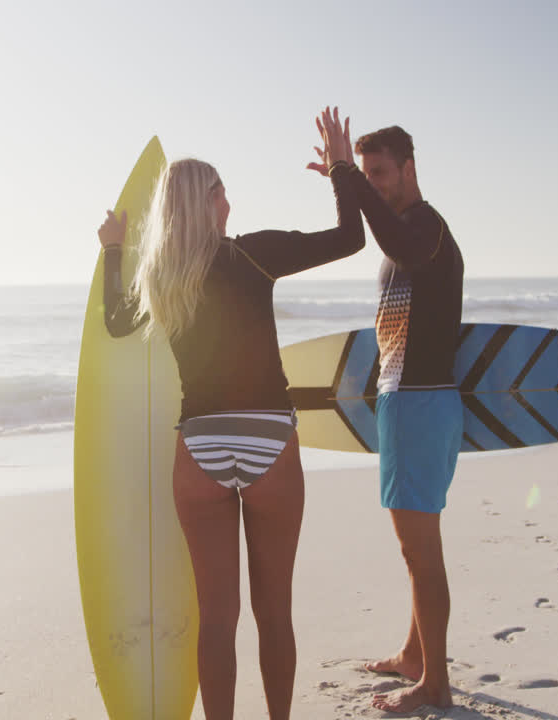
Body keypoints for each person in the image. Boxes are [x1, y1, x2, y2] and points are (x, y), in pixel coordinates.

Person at [95, 108, 363, 720]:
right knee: (274, 613)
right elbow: (350, 238)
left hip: (200, 452)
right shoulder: (255, 256)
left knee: (216, 619)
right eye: (222, 193)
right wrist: (341, 169)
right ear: (207, 203)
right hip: (270, 442)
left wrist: (114, 251)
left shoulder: (159, 276)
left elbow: (115, 321)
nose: (229, 204)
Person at [309, 124, 464, 713]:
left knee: (422, 553)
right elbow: (376, 232)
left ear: (409, 167)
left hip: (421, 405)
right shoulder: (405, 237)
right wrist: (341, 181)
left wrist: (349, 176)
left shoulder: (426, 228)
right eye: (367, 173)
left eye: (381, 173)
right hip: (406, 403)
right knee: (414, 552)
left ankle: (437, 685)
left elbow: (396, 238)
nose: (375, 183)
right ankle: (415, 655)